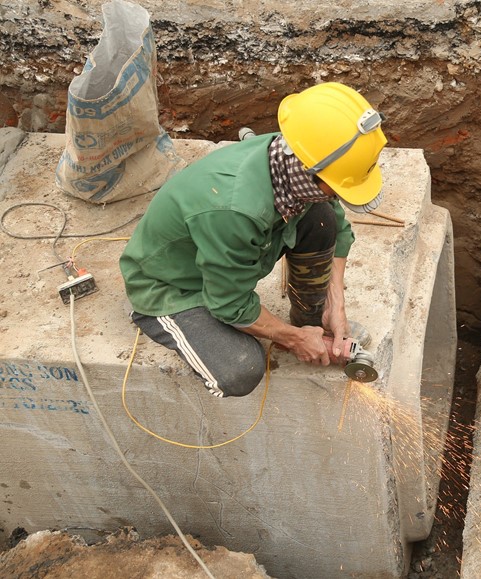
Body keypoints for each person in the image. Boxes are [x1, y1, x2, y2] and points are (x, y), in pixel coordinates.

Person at [119, 82, 387, 397]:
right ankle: (161, 319)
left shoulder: (293, 157)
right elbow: (230, 304)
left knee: (322, 218)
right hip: (170, 287)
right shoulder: (235, 211)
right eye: (336, 188)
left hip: (221, 260)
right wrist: (294, 339)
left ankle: (313, 319)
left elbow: (338, 229)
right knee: (240, 369)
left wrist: (335, 304)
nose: (338, 195)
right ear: (308, 170)